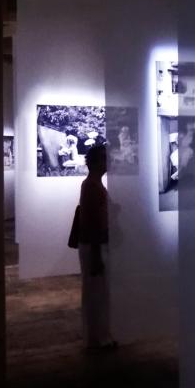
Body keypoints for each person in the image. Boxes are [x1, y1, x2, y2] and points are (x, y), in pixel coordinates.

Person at [76, 145, 116, 351]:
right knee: (97, 293)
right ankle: (99, 338)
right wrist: (95, 254)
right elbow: (91, 220)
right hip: (95, 245)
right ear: (94, 162)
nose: (107, 163)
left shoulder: (92, 184)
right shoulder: (92, 186)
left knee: (96, 291)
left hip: (95, 245)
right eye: (104, 159)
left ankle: (98, 336)